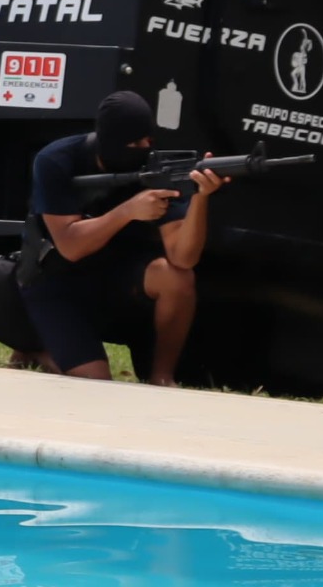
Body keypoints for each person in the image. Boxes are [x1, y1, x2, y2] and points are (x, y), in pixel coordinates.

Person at [18, 89, 224, 386]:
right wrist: (128, 211)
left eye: (148, 140)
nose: (143, 148)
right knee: (96, 380)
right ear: (109, 142)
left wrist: (201, 198)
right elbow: (70, 246)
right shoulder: (57, 160)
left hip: (113, 279)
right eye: (134, 143)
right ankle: (36, 352)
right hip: (57, 282)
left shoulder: (155, 167)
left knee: (176, 277)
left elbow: (183, 258)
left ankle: (162, 376)